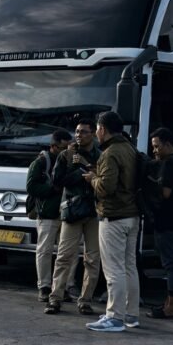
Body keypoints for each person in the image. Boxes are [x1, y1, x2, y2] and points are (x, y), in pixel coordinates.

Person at [83, 111, 140, 332]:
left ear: (103, 129)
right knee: (129, 267)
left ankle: (114, 317)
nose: (96, 132)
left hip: (113, 216)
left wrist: (92, 178)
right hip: (131, 214)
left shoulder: (110, 153)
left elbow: (106, 188)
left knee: (113, 269)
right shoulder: (129, 148)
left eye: (97, 128)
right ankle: (130, 314)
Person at [45, 121, 102, 315]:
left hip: (94, 212)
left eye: (83, 132)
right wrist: (79, 173)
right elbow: (56, 182)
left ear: (93, 134)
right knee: (64, 256)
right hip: (72, 211)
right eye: (77, 132)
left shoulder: (101, 155)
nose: (79, 135)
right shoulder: (66, 155)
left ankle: (85, 300)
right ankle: (55, 298)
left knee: (93, 259)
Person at [145, 127, 173, 319]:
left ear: (168, 144)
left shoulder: (171, 164)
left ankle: (172, 306)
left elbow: (165, 193)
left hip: (169, 221)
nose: (154, 150)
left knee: (172, 264)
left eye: (157, 146)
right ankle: (170, 303)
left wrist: (148, 184)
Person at [26, 129, 72, 302]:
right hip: (47, 213)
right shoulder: (40, 162)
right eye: (64, 148)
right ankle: (44, 286)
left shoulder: (68, 161)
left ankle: (60, 287)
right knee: (44, 250)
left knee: (65, 253)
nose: (67, 151)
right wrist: (52, 190)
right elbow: (31, 187)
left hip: (66, 213)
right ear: (54, 146)